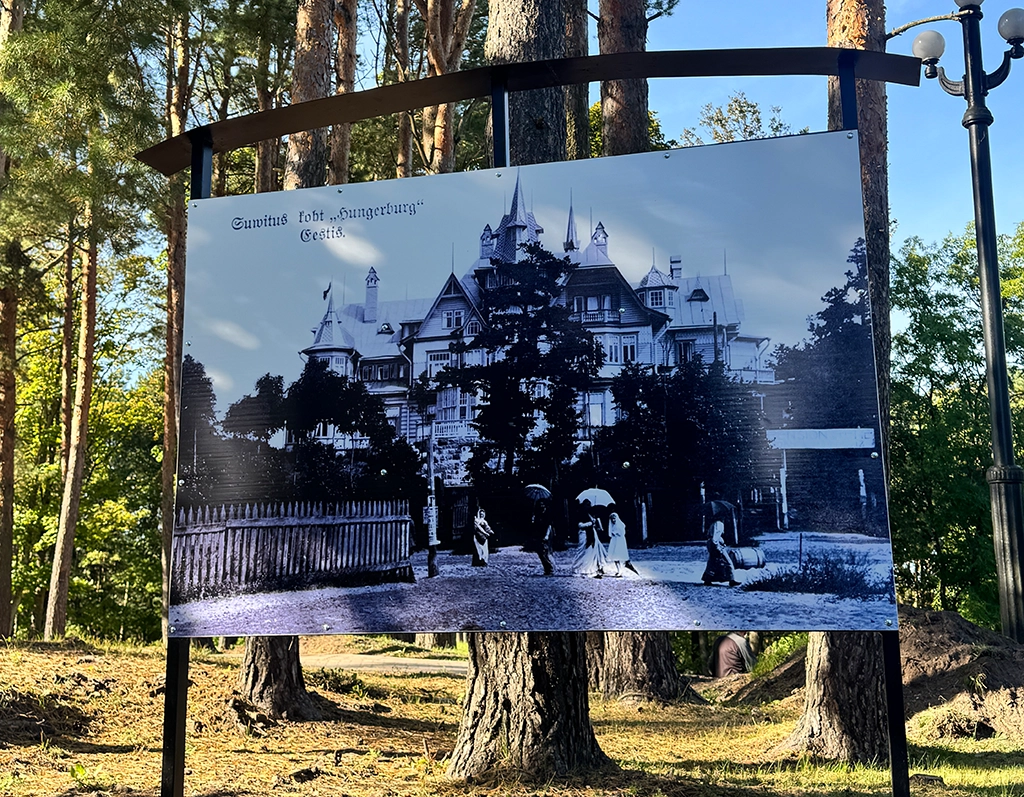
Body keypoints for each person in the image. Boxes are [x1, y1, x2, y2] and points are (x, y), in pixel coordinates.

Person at [574, 501, 608, 578]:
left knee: (591, 553)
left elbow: (598, 527)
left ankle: (590, 569)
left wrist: (595, 523)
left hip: (592, 534)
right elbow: (580, 525)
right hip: (584, 534)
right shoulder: (581, 514)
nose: (589, 507)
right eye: (587, 505)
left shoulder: (590, 515)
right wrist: (590, 523)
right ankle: (580, 569)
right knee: (583, 552)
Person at [702, 519, 738, 586]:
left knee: (712, 562)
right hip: (716, 544)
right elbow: (715, 536)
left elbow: (710, 535)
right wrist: (717, 547)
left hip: (712, 544)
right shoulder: (719, 524)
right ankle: (731, 579)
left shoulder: (714, 523)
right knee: (728, 562)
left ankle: (707, 579)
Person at [526, 500, 555, 575]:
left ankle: (550, 568)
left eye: (543, 504)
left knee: (545, 551)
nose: (542, 506)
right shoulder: (537, 514)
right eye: (540, 504)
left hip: (546, 533)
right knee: (540, 552)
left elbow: (549, 525)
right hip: (539, 534)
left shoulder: (548, 514)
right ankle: (546, 568)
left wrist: (547, 535)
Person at [606, 511, 638, 577]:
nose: (613, 520)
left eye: (614, 518)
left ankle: (622, 570)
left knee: (619, 555)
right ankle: (618, 570)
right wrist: (613, 534)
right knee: (615, 557)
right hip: (614, 541)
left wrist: (616, 533)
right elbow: (611, 533)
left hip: (619, 541)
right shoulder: (612, 525)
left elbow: (622, 533)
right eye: (612, 519)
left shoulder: (620, 524)